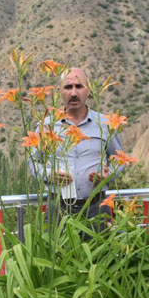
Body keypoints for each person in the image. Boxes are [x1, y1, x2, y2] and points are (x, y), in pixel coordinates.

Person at [28, 67, 125, 220]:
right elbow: (33, 161)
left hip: (97, 207)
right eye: (68, 87)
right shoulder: (47, 125)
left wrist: (108, 175)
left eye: (79, 86)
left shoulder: (106, 124)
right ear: (60, 92)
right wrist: (49, 174)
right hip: (58, 208)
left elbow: (120, 159)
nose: (73, 93)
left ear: (88, 90)